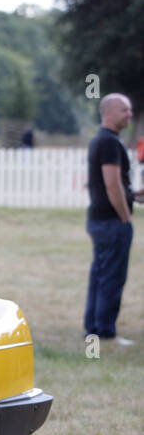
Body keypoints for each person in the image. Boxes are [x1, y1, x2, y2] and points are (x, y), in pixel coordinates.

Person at [84, 92, 136, 346]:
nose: (130, 114)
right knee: (112, 277)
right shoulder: (109, 143)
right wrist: (125, 218)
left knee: (100, 275)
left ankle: (93, 328)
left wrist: (133, 195)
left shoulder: (101, 140)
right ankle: (106, 331)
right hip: (112, 222)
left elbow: (114, 186)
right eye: (124, 110)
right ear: (108, 113)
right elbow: (112, 185)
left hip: (99, 219)